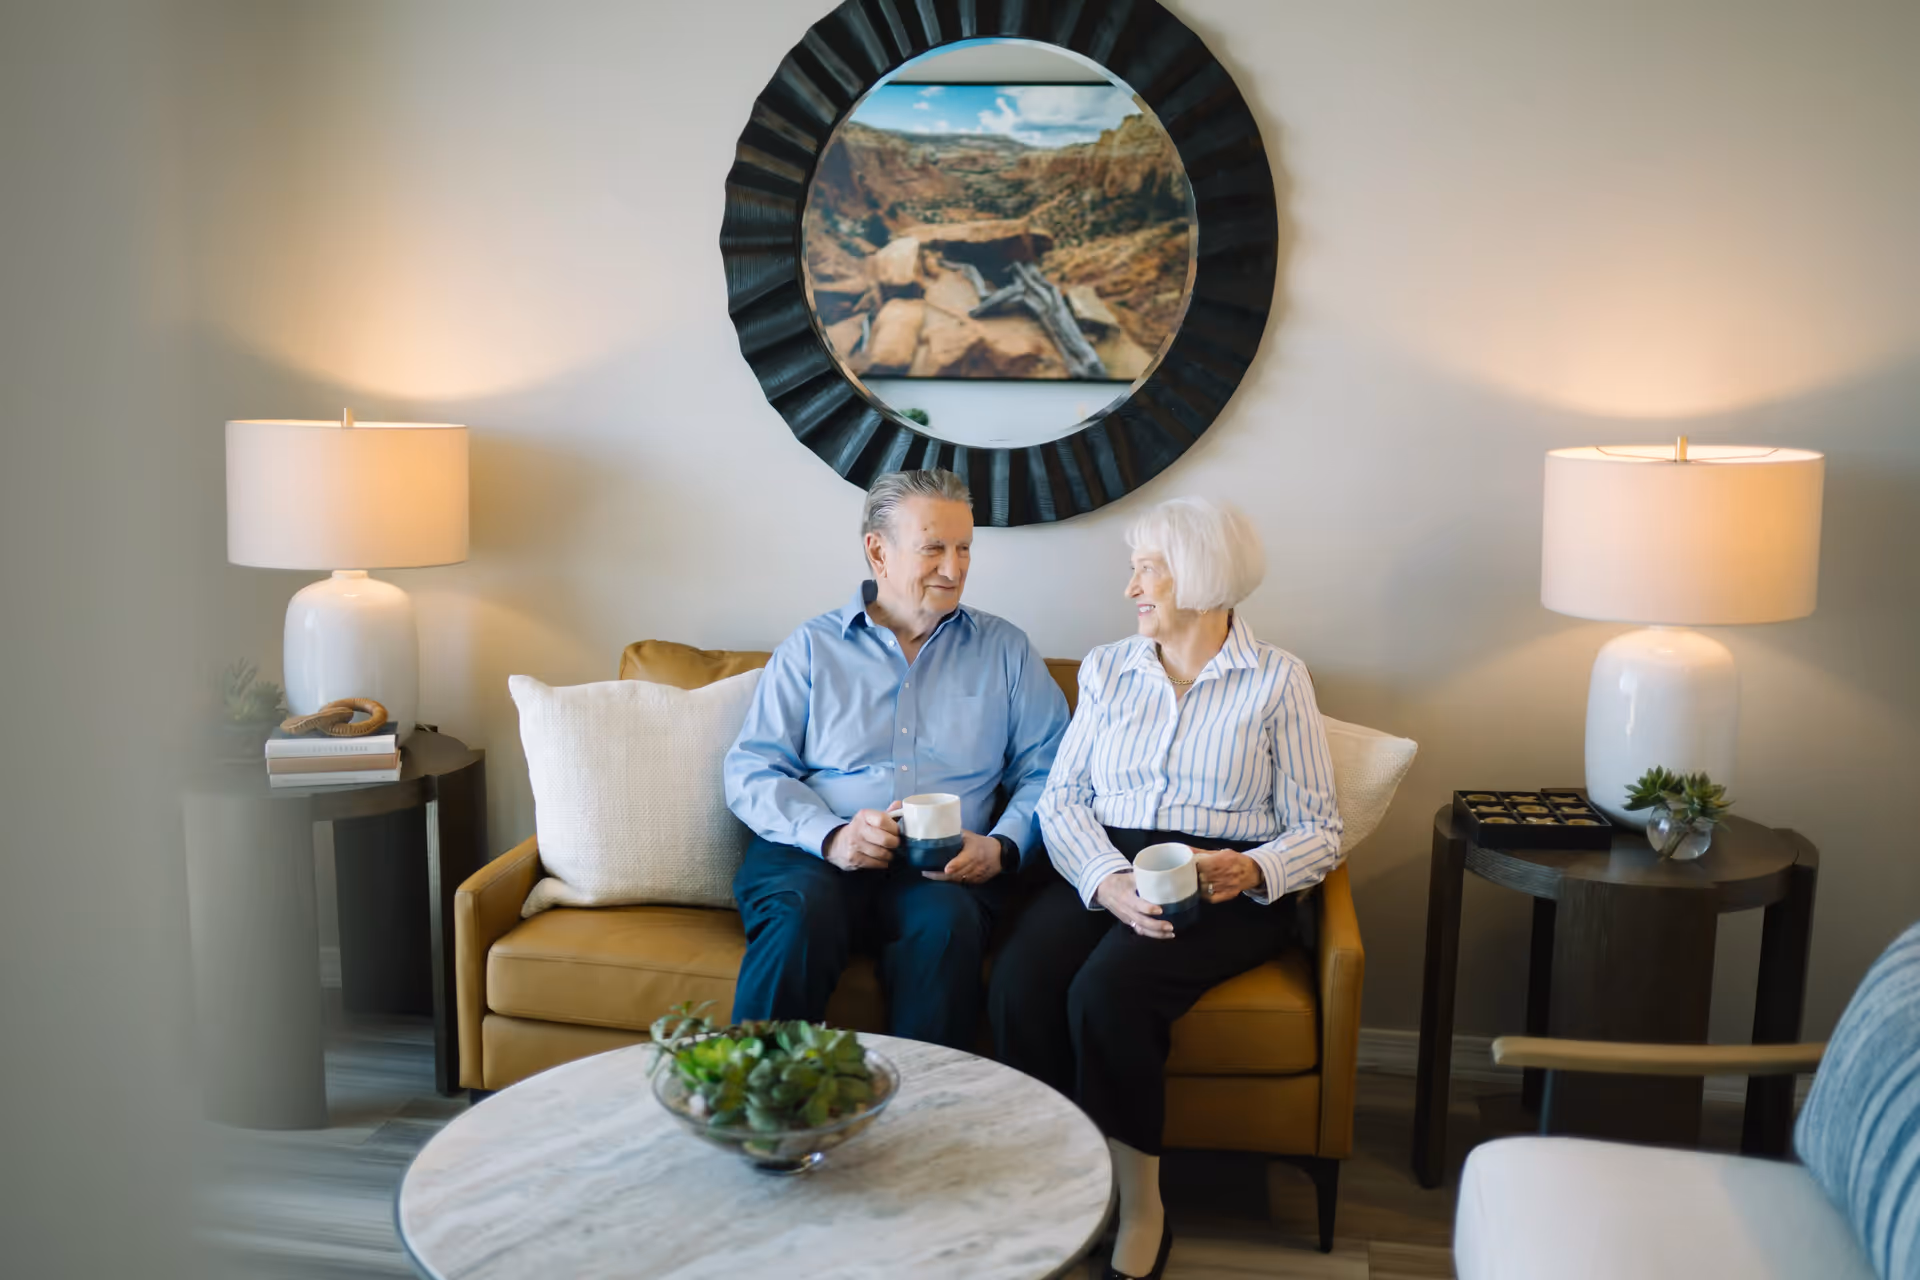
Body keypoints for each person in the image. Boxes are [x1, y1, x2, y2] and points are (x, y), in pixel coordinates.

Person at [988, 496, 1344, 1280]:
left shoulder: (1278, 680)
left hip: (1220, 882)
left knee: (1108, 991)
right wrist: (1108, 880)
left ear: (1201, 574)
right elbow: (1064, 798)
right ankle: (1054, 1182)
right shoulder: (1109, 668)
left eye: (1147, 568)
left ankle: (1141, 1205)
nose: (1131, 588)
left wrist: (1252, 869)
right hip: (1103, 861)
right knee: (1019, 981)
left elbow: (1319, 827)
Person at [723, 468, 1070, 1050]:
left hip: (943, 872)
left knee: (947, 926)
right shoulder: (812, 647)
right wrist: (831, 836)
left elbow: (1053, 769)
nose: (954, 568)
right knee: (801, 915)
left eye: (964, 549)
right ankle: (755, 1106)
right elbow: (752, 768)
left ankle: (923, 1124)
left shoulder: (1004, 649)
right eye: (934, 548)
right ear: (877, 552)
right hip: (814, 859)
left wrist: (1003, 845)